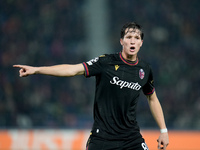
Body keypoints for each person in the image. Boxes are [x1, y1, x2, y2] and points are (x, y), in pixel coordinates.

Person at [14, 22, 169, 150]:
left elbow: (152, 98)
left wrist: (163, 130)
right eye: (129, 37)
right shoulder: (106, 62)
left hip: (131, 138)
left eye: (136, 37)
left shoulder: (145, 69)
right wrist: (37, 70)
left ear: (141, 43)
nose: (133, 40)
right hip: (102, 139)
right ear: (121, 41)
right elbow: (72, 69)